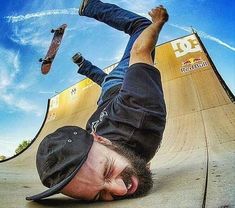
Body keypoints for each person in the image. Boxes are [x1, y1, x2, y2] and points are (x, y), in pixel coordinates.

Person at [26, 0, 168, 202]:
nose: (119, 190)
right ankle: (83, 65)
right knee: (103, 82)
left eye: (108, 170)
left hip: (118, 86)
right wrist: (136, 165)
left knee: (141, 28)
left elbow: (140, 51)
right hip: (104, 104)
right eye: (100, 195)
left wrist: (158, 22)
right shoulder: (93, 145)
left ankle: (91, 6)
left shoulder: (140, 108)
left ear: (100, 139)